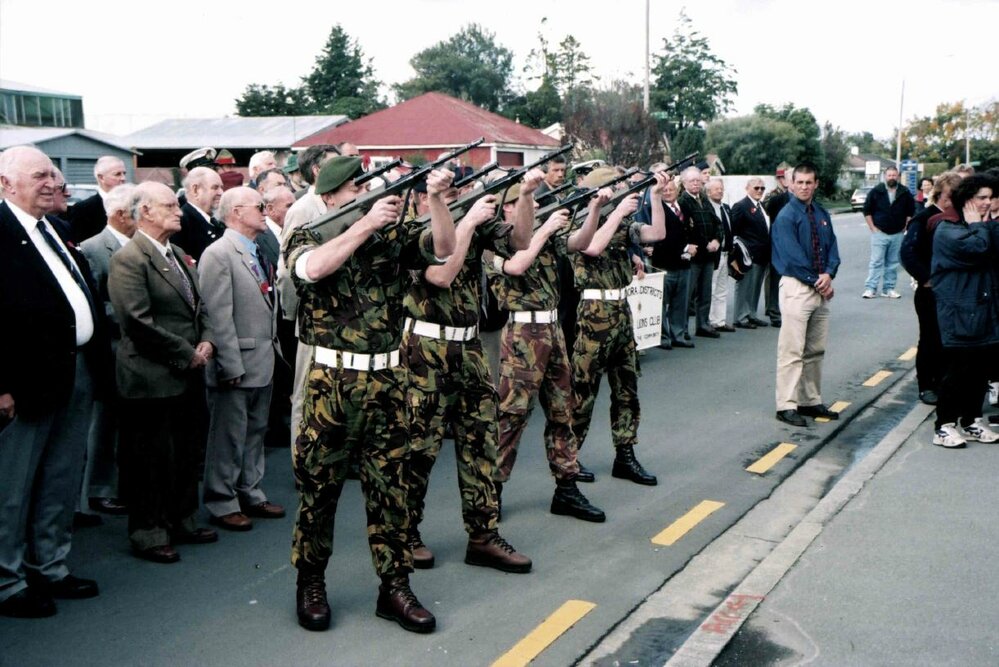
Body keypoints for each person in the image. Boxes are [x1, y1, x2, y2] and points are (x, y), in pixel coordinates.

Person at [284, 156, 456, 634]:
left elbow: (443, 248)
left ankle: (394, 586)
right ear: (332, 197)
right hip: (331, 383)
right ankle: (311, 581)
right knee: (319, 489)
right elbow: (313, 271)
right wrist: (363, 224)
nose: (368, 194)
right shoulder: (308, 233)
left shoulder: (392, 236)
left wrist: (437, 199)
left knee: (392, 488)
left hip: (387, 379)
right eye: (356, 189)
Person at [401, 173, 533, 574]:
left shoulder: (468, 223)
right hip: (426, 348)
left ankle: (483, 534)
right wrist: (469, 224)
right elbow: (442, 274)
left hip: (469, 345)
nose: (454, 200)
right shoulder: (411, 232)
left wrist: (526, 195)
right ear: (424, 200)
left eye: (456, 194)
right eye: (444, 195)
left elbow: (521, 242)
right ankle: (404, 532)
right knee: (419, 447)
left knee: (481, 442)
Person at [0, 146, 106, 618]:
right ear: (6, 184)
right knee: (12, 486)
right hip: (25, 382)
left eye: (54, 175)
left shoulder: (56, 230)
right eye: (40, 175)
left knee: (61, 477)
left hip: (75, 370)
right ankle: (8, 580)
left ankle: (52, 566)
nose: (53, 183)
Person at [108, 182, 218, 564]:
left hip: (187, 372)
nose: (179, 211)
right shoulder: (130, 259)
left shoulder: (179, 254)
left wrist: (206, 341)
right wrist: (186, 353)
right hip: (151, 378)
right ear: (146, 213)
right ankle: (149, 531)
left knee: (187, 451)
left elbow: (198, 307)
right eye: (170, 205)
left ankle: (183, 519)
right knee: (151, 459)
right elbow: (137, 323)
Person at [492, 175, 608, 522]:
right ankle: (491, 491)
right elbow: (516, 266)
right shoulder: (495, 240)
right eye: (524, 202)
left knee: (563, 410)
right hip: (522, 331)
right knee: (512, 416)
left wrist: (594, 210)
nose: (536, 207)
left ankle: (567, 487)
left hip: (552, 327)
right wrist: (543, 231)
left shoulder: (544, 232)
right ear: (508, 208)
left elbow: (580, 242)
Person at [571, 167, 669, 485]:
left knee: (626, 389)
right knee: (583, 391)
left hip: (620, 309)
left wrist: (655, 197)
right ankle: (568, 457)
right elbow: (591, 248)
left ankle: (625, 454)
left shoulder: (623, 222)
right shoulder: (582, 222)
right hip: (593, 311)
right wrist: (616, 214)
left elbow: (657, 234)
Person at [198, 187, 285, 531]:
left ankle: (250, 489)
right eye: (259, 206)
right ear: (236, 211)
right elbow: (218, 316)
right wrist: (229, 364)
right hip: (238, 361)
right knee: (228, 435)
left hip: (262, 357)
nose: (266, 211)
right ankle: (222, 499)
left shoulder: (254, 250)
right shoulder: (219, 254)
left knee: (255, 431)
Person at [78, 184, 137, 520]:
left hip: (136, 350)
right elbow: (94, 303)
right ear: (118, 214)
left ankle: (120, 484)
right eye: (136, 209)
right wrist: (133, 313)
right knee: (104, 425)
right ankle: (99, 489)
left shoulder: (141, 246)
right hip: (113, 347)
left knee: (125, 425)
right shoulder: (93, 249)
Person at [928, 175, 999, 448]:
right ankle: (943, 426)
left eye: (990, 197)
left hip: (981, 310)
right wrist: (978, 226)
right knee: (957, 372)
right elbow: (979, 248)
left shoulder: (976, 226)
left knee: (979, 372)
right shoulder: (948, 230)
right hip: (960, 312)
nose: (987, 203)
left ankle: (971, 421)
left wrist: (980, 225)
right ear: (966, 200)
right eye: (981, 198)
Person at [771, 163, 841, 427]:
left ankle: (810, 401)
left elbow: (832, 246)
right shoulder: (786, 216)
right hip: (798, 287)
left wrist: (829, 273)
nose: (803, 187)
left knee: (815, 349)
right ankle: (786, 405)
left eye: (808, 182)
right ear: (791, 184)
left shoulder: (821, 213)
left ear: (816, 184)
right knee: (792, 350)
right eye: (799, 182)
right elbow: (791, 257)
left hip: (820, 286)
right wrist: (818, 281)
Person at [900, 172, 963, 405]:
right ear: (938, 194)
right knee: (930, 338)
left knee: (950, 340)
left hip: (953, 290)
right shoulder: (924, 218)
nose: (951, 202)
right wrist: (926, 278)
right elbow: (907, 252)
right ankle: (926, 384)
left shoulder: (960, 218)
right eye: (948, 196)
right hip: (930, 291)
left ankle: (944, 382)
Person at [639, 174, 697, 349]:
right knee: (661, 303)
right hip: (664, 263)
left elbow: (692, 230)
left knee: (681, 303)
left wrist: (692, 246)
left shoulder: (685, 208)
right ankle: (663, 337)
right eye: (664, 190)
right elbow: (662, 237)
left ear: (677, 190)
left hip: (684, 264)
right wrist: (685, 248)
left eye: (671, 189)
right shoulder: (657, 210)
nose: (668, 192)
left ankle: (677, 334)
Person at [678, 166, 721, 339]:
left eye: (698, 180)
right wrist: (706, 244)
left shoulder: (704, 198)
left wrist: (717, 239)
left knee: (705, 293)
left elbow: (717, 223)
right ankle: (682, 328)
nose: (696, 183)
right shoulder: (683, 201)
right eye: (691, 181)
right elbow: (688, 229)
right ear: (684, 183)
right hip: (694, 255)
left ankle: (703, 324)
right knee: (687, 295)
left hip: (709, 255)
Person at [862, 166, 915, 299]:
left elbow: (910, 211)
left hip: (897, 233)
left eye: (894, 175)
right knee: (876, 262)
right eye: (889, 175)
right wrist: (873, 228)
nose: (892, 177)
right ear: (885, 176)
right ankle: (870, 288)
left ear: (898, 176)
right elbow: (867, 211)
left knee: (893, 263)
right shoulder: (876, 191)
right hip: (879, 232)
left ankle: (889, 289)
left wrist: (905, 226)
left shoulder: (904, 192)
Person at [731, 178, 772, 328]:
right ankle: (740, 317)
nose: (760, 191)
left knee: (755, 287)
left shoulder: (761, 206)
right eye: (756, 188)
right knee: (744, 286)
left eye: (762, 188)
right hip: (748, 255)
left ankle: (751, 314)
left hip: (762, 254)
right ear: (747, 188)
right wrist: (736, 255)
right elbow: (733, 232)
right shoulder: (741, 206)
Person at [66, 156, 128, 243]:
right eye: (117, 174)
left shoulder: (131, 204)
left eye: (124, 173)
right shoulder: (83, 209)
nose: (123, 178)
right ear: (101, 178)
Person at [172, 166, 225, 261]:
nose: (221, 192)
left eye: (221, 187)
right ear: (195, 190)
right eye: (215, 187)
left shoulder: (216, 221)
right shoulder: (181, 223)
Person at [705, 178, 735, 332]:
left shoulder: (726, 208)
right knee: (711, 287)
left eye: (721, 188)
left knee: (723, 289)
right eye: (716, 189)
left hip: (726, 253)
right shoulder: (707, 208)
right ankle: (709, 321)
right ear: (708, 192)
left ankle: (720, 321)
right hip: (714, 254)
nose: (720, 191)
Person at [762, 166, 791, 326]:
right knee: (773, 278)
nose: (783, 181)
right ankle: (772, 308)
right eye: (781, 178)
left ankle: (783, 308)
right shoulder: (774, 196)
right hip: (777, 243)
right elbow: (769, 211)